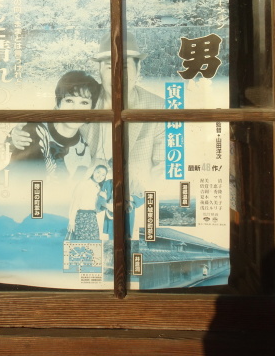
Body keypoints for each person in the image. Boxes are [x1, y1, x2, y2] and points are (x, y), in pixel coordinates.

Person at [9, 34, 165, 237]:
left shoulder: (158, 106)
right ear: (99, 69)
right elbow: (50, 119)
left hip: (131, 200)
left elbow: (163, 167)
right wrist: (15, 133)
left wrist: (139, 201)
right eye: (109, 67)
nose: (117, 74)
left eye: (125, 67)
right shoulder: (85, 96)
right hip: (84, 195)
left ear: (138, 69)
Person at [5, 70, 100, 182]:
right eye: (69, 100)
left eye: (84, 103)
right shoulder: (35, 130)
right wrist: (11, 138)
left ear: (91, 109)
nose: (76, 109)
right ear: (58, 103)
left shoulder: (84, 154)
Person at [66, 160, 109, 241]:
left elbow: (97, 209)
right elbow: (75, 203)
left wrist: (105, 204)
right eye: (98, 172)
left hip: (92, 218)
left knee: (93, 243)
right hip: (81, 217)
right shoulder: (83, 184)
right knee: (81, 244)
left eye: (103, 175)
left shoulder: (99, 188)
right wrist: (71, 221)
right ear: (93, 172)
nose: (100, 176)